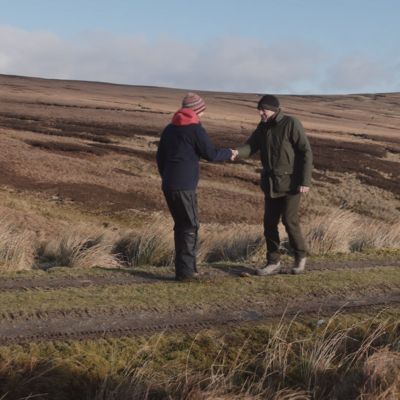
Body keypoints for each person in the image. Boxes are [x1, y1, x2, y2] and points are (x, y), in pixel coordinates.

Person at [157, 92, 237, 281]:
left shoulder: (169, 129)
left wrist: (167, 176)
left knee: (182, 225)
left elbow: (160, 157)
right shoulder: (195, 129)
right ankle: (186, 273)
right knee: (190, 225)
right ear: (197, 111)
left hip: (169, 184)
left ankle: (186, 269)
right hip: (185, 186)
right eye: (201, 112)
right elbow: (210, 154)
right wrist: (229, 153)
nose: (202, 115)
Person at [236, 95, 313, 275]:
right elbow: (250, 146)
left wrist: (305, 181)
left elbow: (305, 151)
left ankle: (300, 256)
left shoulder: (291, 123)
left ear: (274, 109)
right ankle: (273, 262)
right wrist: (235, 152)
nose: (260, 112)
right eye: (259, 109)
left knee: (289, 220)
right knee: (269, 222)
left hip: (292, 183)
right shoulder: (262, 127)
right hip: (271, 183)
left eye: (263, 109)